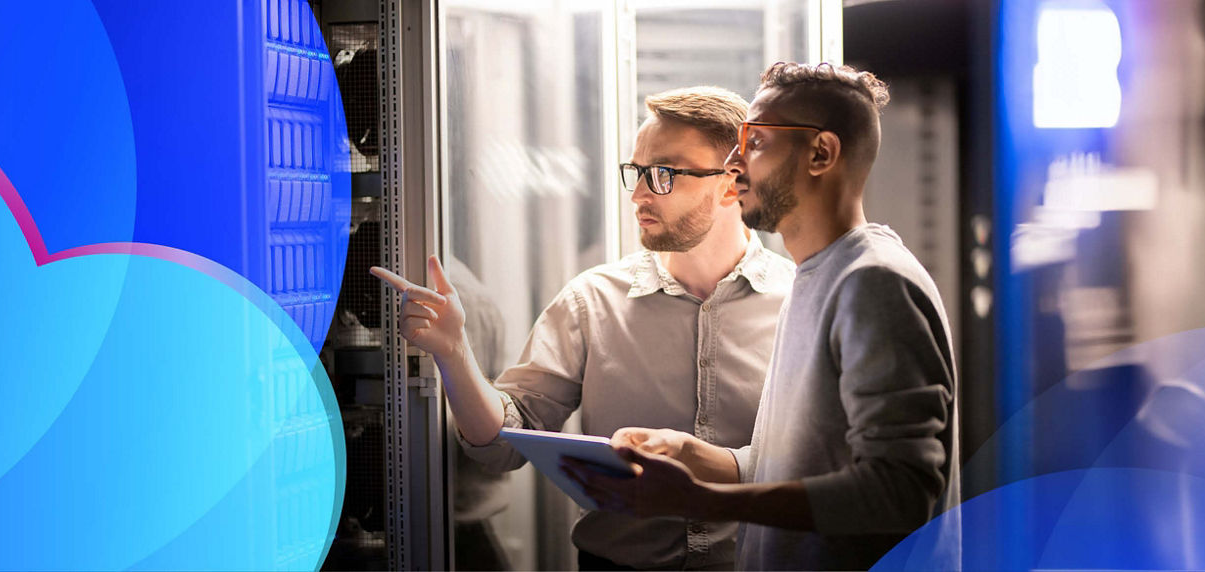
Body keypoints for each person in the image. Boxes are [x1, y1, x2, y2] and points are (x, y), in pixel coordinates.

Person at [372, 86, 794, 570]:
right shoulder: (591, 300)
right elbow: (503, 443)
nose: (637, 194)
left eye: (662, 174)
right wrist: (453, 353)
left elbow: (832, 464)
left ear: (731, 182)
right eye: (635, 173)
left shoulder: (800, 302)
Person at [565, 62, 958, 571]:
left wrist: (697, 502)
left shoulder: (873, 283)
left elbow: (900, 492)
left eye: (754, 142)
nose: (734, 163)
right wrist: (698, 457)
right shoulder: (816, 277)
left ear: (821, 153)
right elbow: (806, 464)